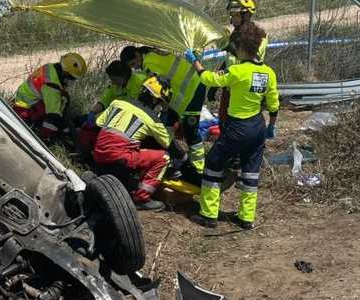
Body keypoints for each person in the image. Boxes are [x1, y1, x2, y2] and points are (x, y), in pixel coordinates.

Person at [186, 23, 278, 230]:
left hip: (237, 126)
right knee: (251, 171)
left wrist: (195, 62)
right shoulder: (268, 73)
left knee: (213, 164)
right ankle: (246, 218)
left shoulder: (237, 71)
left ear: (242, 47)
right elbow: (273, 103)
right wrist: (272, 126)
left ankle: (208, 214)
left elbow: (208, 78)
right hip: (257, 126)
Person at [92, 77, 184, 211]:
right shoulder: (152, 119)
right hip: (120, 158)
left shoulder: (118, 102)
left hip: (98, 153)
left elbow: (98, 123)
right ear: (155, 100)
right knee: (164, 157)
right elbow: (166, 142)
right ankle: (141, 199)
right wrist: (165, 113)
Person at [143, 46, 208, 176]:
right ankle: (171, 162)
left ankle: (199, 170)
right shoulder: (158, 53)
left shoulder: (147, 62)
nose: (135, 68)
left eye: (133, 64)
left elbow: (156, 86)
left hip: (192, 94)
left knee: (190, 131)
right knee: (166, 127)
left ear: (137, 56)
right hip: (180, 97)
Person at [13, 52, 86, 141]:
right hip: (25, 112)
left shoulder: (50, 68)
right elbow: (53, 116)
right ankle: (43, 135)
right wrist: (47, 137)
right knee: (59, 107)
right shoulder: (52, 87)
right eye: (71, 78)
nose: (70, 81)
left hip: (23, 101)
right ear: (66, 74)